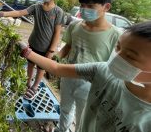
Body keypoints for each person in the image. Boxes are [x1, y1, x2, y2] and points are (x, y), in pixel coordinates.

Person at [18, 20, 151, 132]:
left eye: (130, 56)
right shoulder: (103, 71)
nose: (117, 57)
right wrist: (27, 52)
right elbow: (57, 69)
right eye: (118, 47)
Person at [57, 0, 122, 132]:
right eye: (82, 5)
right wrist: (57, 56)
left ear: (106, 7)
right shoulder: (74, 26)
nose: (84, 9)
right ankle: (61, 129)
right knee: (65, 108)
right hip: (67, 75)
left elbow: (114, 67)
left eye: (90, 6)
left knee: (83, 118)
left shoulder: (115, 35)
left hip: (91, 84)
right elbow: (68, 47)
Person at [0, 0, 64, 100]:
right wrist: (3, 14)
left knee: (41, 69)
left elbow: (57, 33)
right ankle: (27, 82)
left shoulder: (58, 12)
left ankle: (35, 86)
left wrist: (51, 51)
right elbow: (19, 12)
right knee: (30, 64)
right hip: (33, 43)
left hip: (46, 48)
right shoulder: (36, 7)